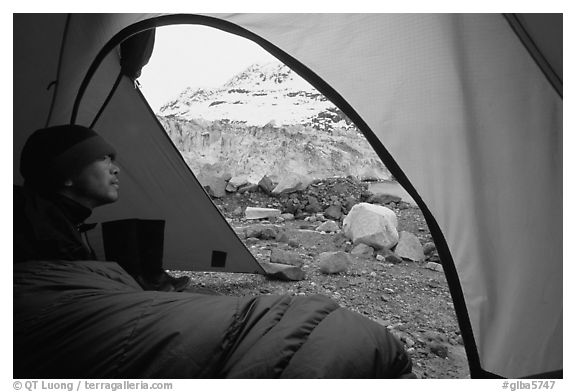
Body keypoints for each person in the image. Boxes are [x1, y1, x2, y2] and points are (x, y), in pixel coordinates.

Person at [14, 124, 189, 291]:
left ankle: (147, 278)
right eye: (103, 158)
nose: (116, 169)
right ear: (65, 174)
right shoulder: (32, 225)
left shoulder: (55, 225)